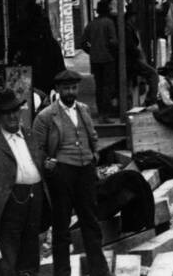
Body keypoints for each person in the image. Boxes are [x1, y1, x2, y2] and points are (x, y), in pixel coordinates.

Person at [32, 69, 111, 276]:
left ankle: (99, 271)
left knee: (90, 222)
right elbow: (36, 147)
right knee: (61, 225)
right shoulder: (46, 116)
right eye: (66, 88)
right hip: (62, 172)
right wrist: (47, 163)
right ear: (58, 89)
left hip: (85, 171)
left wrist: (94, 156)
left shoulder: (83, 110)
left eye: (74, 88)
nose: (70, 92)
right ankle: (62, 272)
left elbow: (93, 136)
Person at [0, 89, 45, 276]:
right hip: (8, 204)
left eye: (15, 111)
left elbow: (41, 164)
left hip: (34, 201)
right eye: (6, 113)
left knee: (31, 255)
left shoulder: (31, 136)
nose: (12, 116)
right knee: (7, 257)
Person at [79, 0, 118, 118]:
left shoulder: (91, 24)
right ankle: (106, 112)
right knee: (108, 86)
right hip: (108, 59)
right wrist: (113, 52)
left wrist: (91, 51)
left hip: (95, 59)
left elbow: (83, 42)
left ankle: (101, 111)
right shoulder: (109, 23)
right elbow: (113, 41)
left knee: (99, 86)